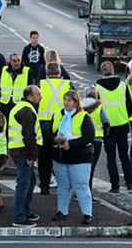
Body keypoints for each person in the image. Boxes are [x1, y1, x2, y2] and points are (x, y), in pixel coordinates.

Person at [51, 90, 95, 225]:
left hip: (80, 157)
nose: (66, 102)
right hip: (61, 157)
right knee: (63, 186)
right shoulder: (58, 114)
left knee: (81, 186)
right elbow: (50, 131)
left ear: (76, 103)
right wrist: (55, 139)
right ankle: (61, 211)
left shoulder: (84, 117)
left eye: (69, 100)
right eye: (64, 100)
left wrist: (71, 144)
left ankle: (87, 214)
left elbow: (89, 136)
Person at [97, 61, 132, 193]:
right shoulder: (123, 86)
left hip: (108, 128)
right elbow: (129, 106)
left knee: (111, 158)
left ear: (102, 72)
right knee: (124, 156)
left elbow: (96, 109)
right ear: (113, 71)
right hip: (122, 125)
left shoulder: (98, 88)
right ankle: (130, 184)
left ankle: (115, 186)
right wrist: (124, 117)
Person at [9, 85, 43, 228]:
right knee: (23, 184)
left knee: (29, 182)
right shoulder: (27, 111)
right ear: (30, 97)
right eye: (38, 95)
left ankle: (25, 212)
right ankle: (19, 217)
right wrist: (32, 156)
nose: (40, 97)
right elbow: (28, 136)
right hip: (23, 152)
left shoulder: (19, 107)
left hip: (18, 150)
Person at [37, 62, 71, 194]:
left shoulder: (40, 85)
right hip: (62, 125)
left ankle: (44, 186)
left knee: (44, 158)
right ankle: (64, 187)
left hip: (44, 125)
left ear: (46, 74)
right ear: (60, 73)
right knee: (61, 158)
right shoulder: (67, 85)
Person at [82, 88, 109, 190]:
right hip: (96, 139)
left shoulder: (80, 105)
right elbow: (106, 122)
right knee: (92, 166)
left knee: (82, 166)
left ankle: (79, 190)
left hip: (83, 140)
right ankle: (88, 188)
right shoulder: (99, 106)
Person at [0, 52, 31, 119]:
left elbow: (30, 89)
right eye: (14, 61)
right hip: (5, 105)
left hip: (20, 105)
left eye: (18, 60)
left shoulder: (27, 71)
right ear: (10, 62)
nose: (17, 63)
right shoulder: (3, 70)